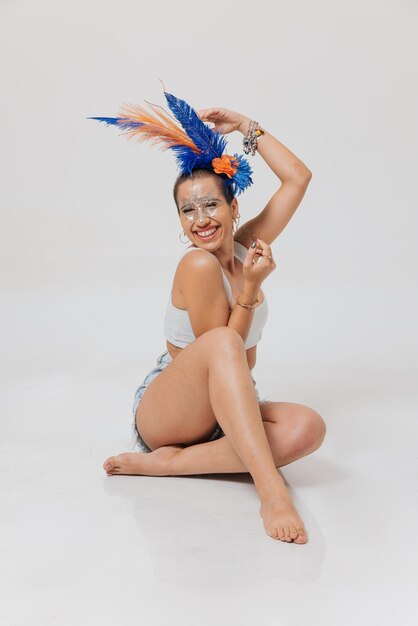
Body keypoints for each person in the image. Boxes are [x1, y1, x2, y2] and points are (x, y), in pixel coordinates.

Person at [90, 88, 326, 543]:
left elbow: (298, 177)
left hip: (225, 408)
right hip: (171, 409)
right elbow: (225, 347)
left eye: (211, 204)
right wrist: (251, 290)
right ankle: (271, 489)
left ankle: (173, 464)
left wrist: (244, 126)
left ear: (234, 208)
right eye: (187, 210)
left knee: (307, 428)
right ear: (180, 220)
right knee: (220, 343)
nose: (201, 219)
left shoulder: (240, 248)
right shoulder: (197, 265)